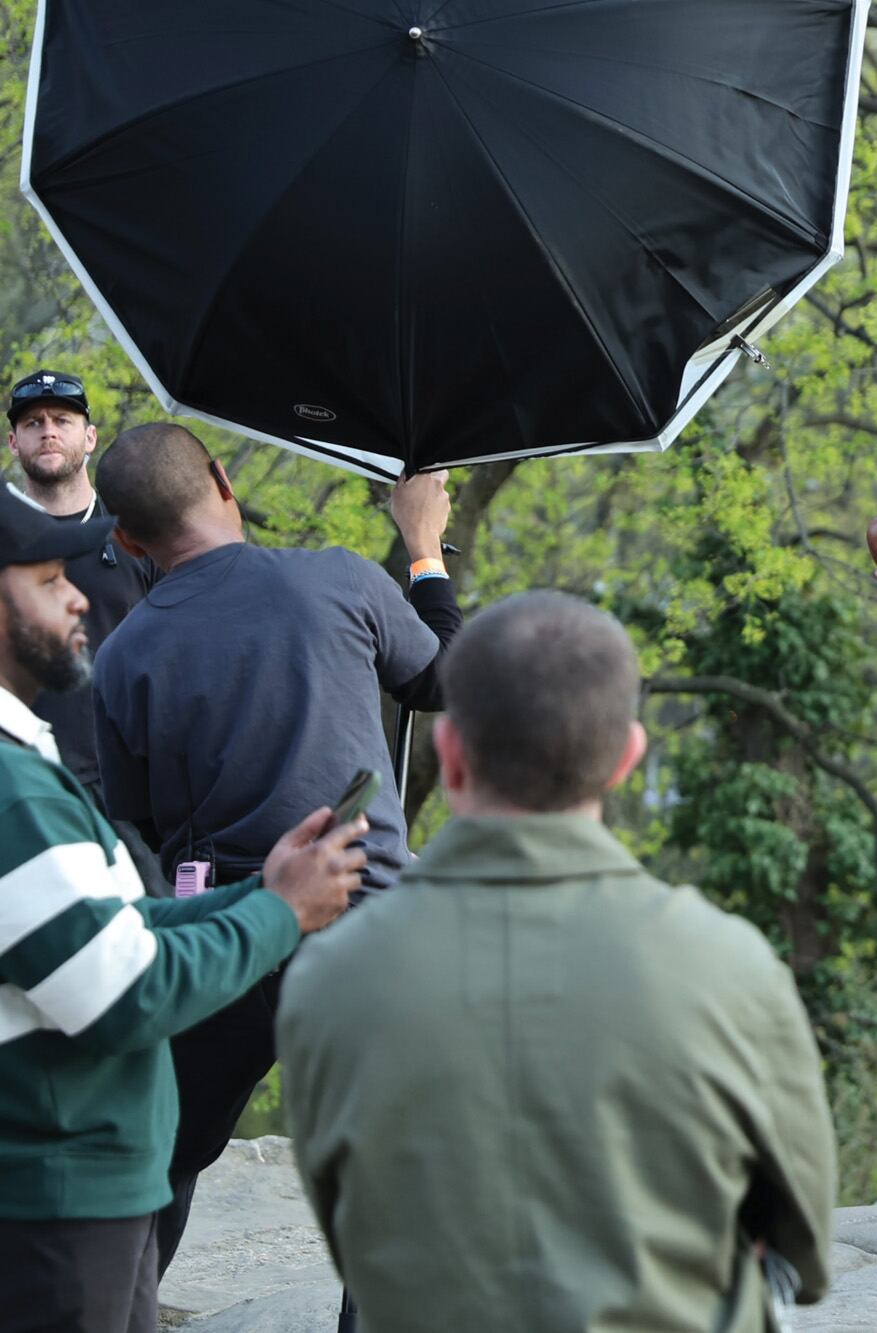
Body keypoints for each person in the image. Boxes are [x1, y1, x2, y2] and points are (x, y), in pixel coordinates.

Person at [277, 591, 836, 1332]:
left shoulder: (331, 976)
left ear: (450, 756)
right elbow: (803, 1249)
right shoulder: (729, 964)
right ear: (628, 757)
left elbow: (348, 1230)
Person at [89, 422, 459, 1272]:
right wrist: (424, 543)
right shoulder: (335, 577)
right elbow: (440, 674)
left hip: (223, 929)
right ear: (224, 479)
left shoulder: (122, 658)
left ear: (125, 539)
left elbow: (134, 825)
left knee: (161, 1158)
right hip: (362, 915)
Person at [0, 496, 363, 1333]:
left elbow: (116, 928)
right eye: (50, 579)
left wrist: (262, 890)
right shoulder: (12, 796)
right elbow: (127, 988)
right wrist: (278, 914)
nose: (79, 596)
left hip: (93, 1195)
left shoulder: (25, 762)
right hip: (55, 1211)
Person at [5, 370, 165, 896]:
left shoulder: (137, 535)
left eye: (63, 420)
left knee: (154, 918)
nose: (48, 431)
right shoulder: (5, 542)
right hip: (26, 776)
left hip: (130, 785)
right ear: (14, 441)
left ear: (89, 437)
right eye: (33, 423)